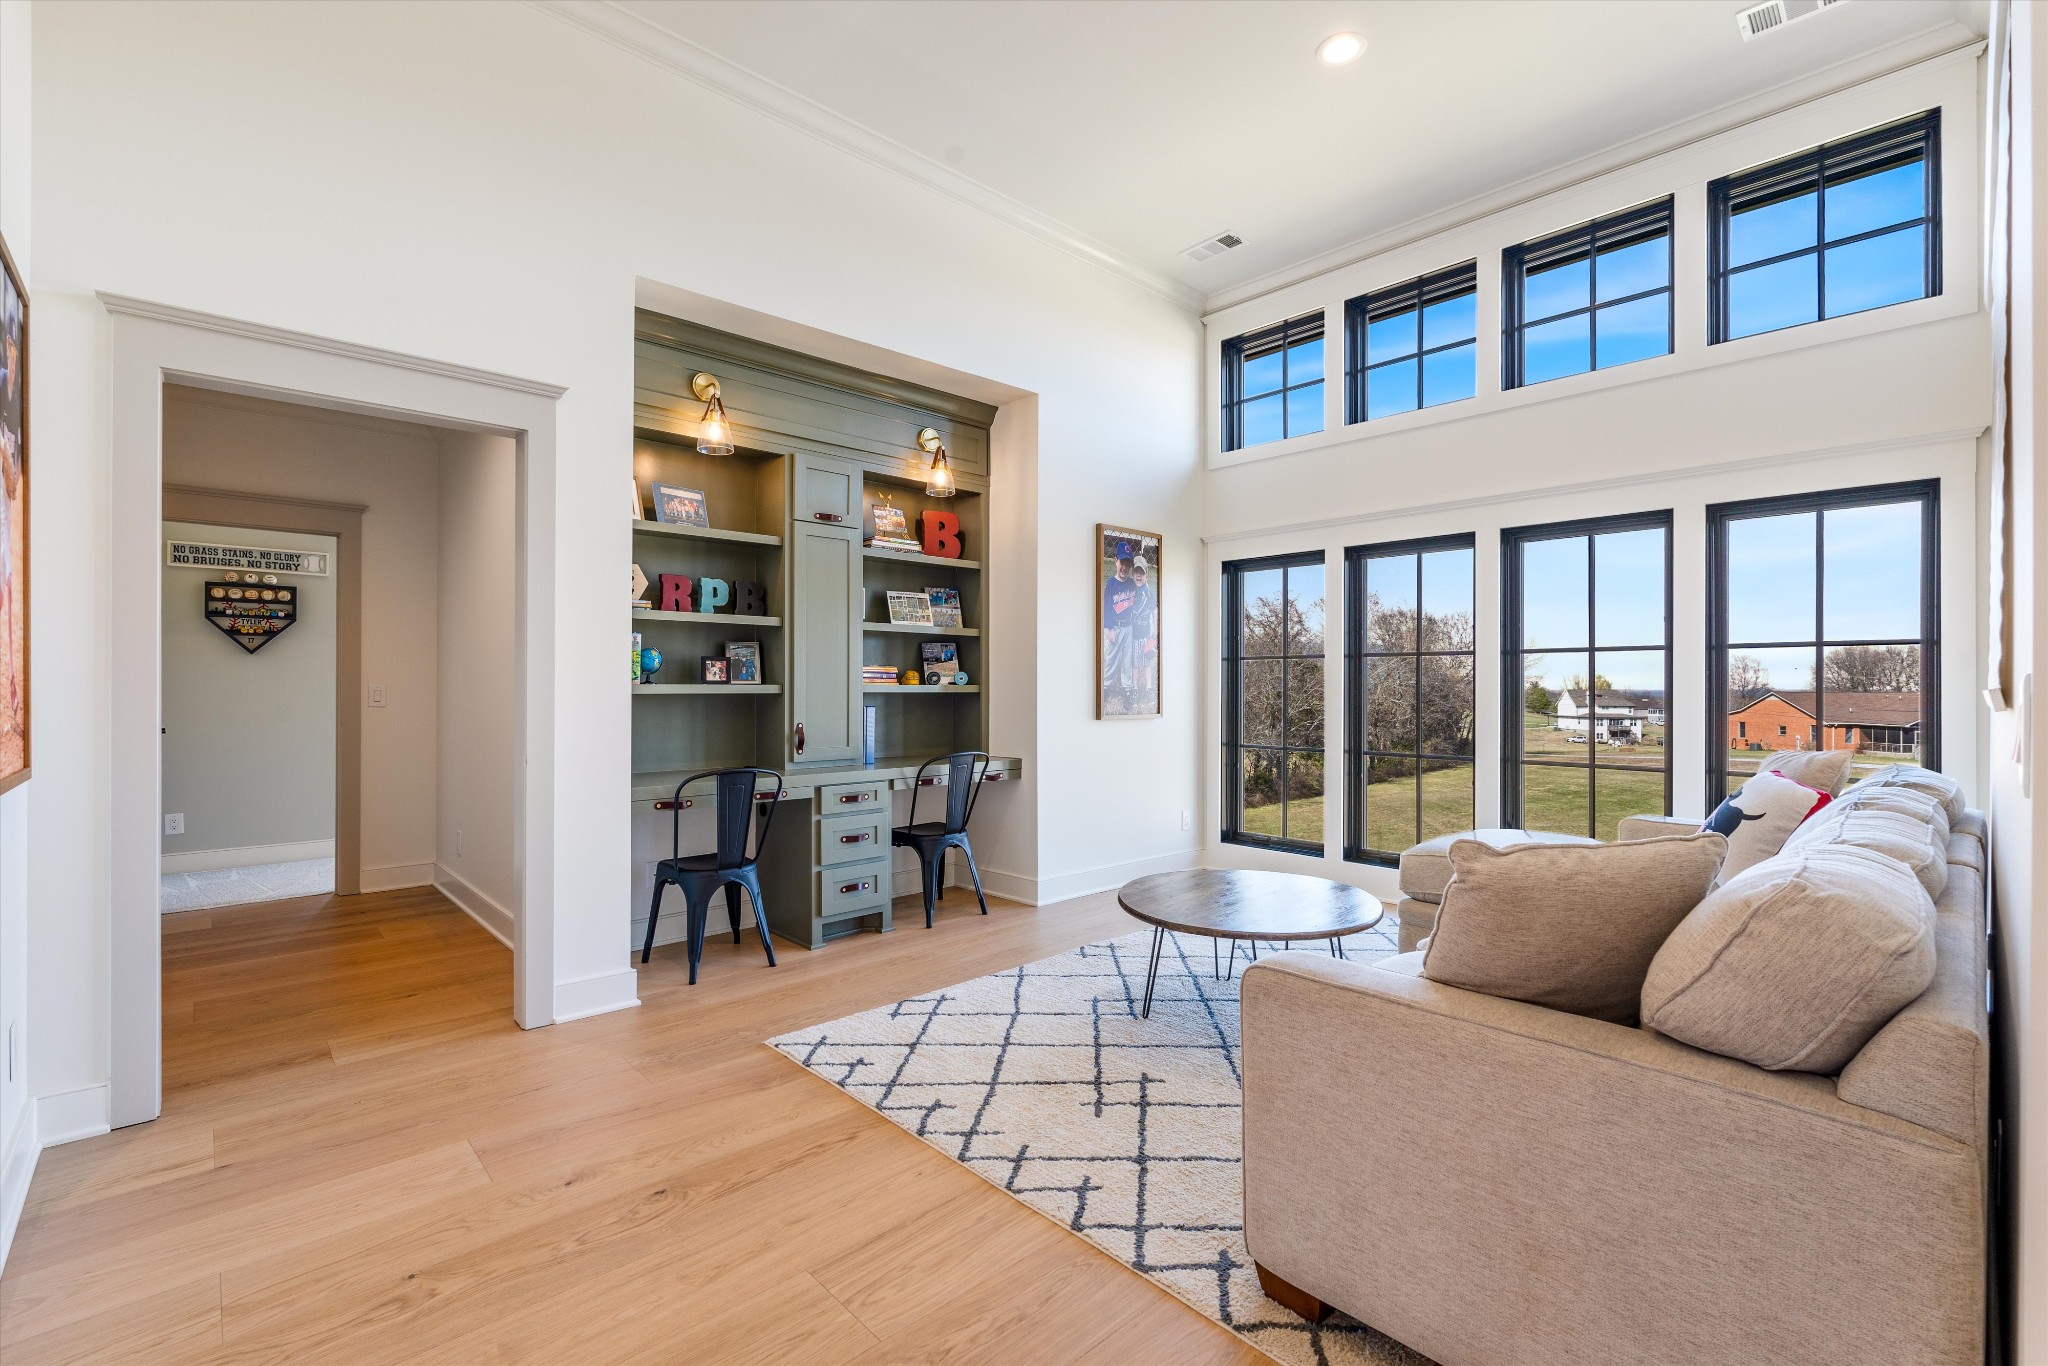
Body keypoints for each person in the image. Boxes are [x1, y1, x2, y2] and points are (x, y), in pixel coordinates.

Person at [1101, 543, 1141, 712]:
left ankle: (1127, 692)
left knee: (1126, 661)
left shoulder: (1132, 584)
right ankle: (1105, 688)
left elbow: (1141, 598)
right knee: (1111, 659)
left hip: (1128, 627)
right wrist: (1109, 629)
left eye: (1127, 564)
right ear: (1115, 561)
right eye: (1122, 562)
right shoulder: (1111, 583)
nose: (1124, 567)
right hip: (1114, 628)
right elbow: (1106, 607)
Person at [1130, 555, 1157, 712]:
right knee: (1134, 663)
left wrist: (1154, 634)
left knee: (1146, 662)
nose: (1138, 576)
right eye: (1136, 573)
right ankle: (1134, 688)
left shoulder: (1148, 593)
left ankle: (1148, 687)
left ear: (1147, 576)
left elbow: (1154, 611)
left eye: (1142, 573)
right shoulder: (1131, 590)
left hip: (1146, 633)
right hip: (1134, 634)